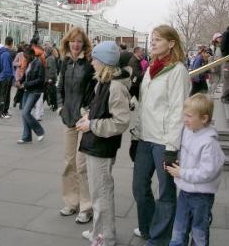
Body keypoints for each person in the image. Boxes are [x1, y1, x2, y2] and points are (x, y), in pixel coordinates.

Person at [132, 25, 190, 245]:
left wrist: (171, 147)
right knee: (139, 188)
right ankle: (148, 228)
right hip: (145, 139)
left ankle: (159, 238)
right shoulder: (150, 69)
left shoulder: (178, 71)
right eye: (152, 39)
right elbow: (145, 105)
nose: (153, 43)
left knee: (166, 192)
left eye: (158, 39)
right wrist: (136, 135)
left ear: (171, 43)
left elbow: (178, 110)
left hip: (164, 142)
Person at [76, 41, 131, 246]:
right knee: (97, 192)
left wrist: (92, 124)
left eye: (95, 59)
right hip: (95, 144)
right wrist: (88, 116)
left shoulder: (115, 87)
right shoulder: (104, 82)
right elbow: (102, 110)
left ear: (103, 62)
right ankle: (99, 231)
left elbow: (121, 122)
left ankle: (105, 237)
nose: (92, 62)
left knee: (102, 194)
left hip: (101, 147)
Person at [167, 93, 225, 246]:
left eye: (189, 116)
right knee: (178, 229)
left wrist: (182, 173)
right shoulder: (188, 130)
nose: (185, 119)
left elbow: (207, 172)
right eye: (184, 115)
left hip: (201, 197)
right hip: (185, 192)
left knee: (199, 232)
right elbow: (186, 154)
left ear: (204, 119)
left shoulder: (209, 143)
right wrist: (176, 162)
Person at [57, 26, 95, 224]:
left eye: (79, 41)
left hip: (82, 119)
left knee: (81, 165)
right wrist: (60, 106)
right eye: (73, 41)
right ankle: (71, 202)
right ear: (67, 42)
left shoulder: (89, 63)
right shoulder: (65, 62)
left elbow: (94, 90)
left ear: (84, 43)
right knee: (68, 163)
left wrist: (87, 111)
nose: (76, 44)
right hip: (68, 118)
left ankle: (86, 206)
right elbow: (60, 86)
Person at [16, 46, 45, 144]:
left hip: (35, 91)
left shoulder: (39, 63)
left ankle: (40, 131)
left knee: (25, 113)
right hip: (27, 90)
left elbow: (40, 80)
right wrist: (20, 81)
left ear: (32, 55)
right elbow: (25, 76)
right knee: (24, 114)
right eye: (24, 56)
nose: (25, 58)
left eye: (27, 56)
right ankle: (26, 137)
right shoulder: (29, 63)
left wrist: (25, 84)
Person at [0, 36, 14, 118]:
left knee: (6, 95)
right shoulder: (6, 54)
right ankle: (1, 113)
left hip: (3, 77)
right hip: (5, 78)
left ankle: (5, 111)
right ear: (11, 43)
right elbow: (6, 68)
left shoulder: (3, 52)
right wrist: (10, 77)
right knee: (4, 95)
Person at [44, 46, 58, 111]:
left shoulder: (50, 59)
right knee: (50, 92)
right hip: (48, 78)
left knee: (52, 92)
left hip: (50, 79)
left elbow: (52, 69)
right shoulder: (49, 58)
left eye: (45, 51)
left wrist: (50, 78)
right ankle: (53, 104)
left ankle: (55, 105)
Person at [220, 26, 229, 103]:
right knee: (227, 79)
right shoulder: (226, 34)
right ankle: (225, 97)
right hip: (227, 60)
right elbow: (223, 48)